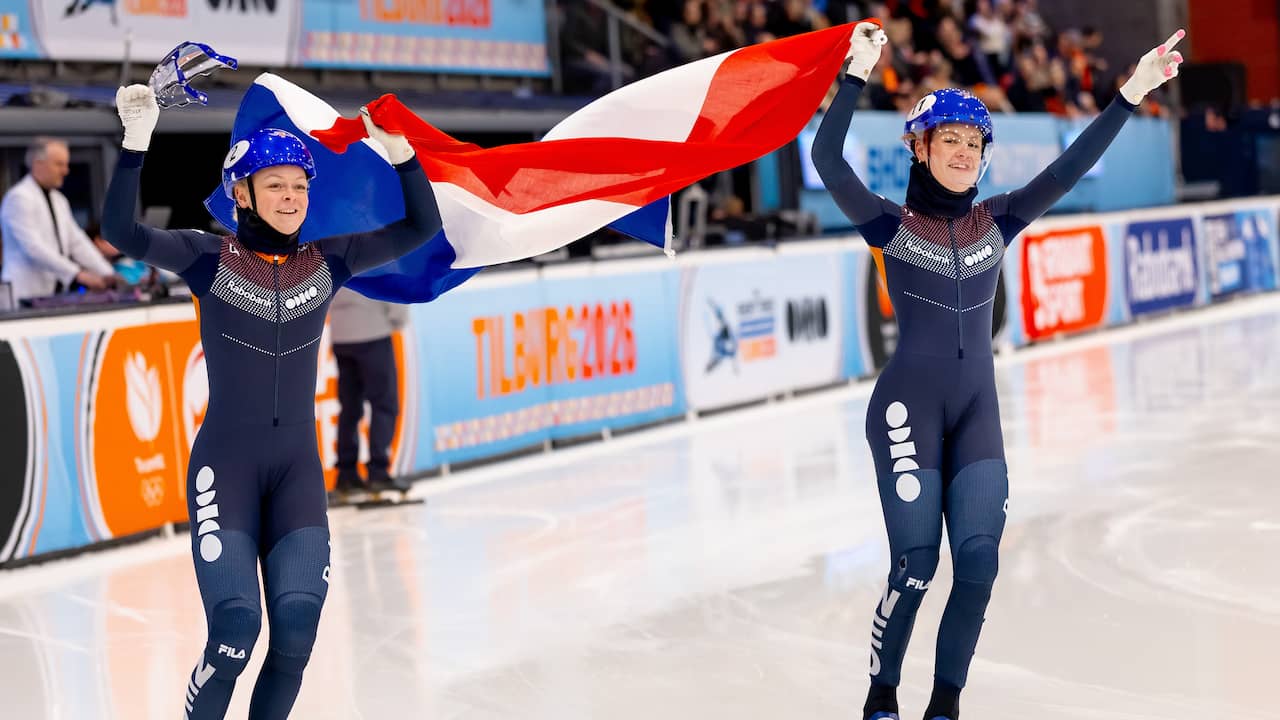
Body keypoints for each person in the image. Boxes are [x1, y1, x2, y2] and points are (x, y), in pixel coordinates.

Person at [812, 21, 1184, 720]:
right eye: (948, 139)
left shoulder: (999, 221)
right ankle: (881, 693)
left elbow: (1069, 169)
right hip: (906, 413)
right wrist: (856, 75)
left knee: (978, 566)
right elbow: (828, 161)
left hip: (977, 411)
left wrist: (1130, 93)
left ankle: (945, 705)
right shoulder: (890, 225)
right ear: (920, 150)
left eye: (974, 142)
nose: (963, 152)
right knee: (916, 567)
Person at [102, 84, 441, 719]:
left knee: (295, 630)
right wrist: (134, 143)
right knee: (234, 633)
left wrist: (404, 157)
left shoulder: (331, 259)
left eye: (300, 186)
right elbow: (120, 230)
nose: (291, 198)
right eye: (276, 185)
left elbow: (424, 226)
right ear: (243, 192)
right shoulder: (210, 258)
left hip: (296, 472)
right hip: (225, 468)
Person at [0, 136, 117, 301]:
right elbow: (34, 249)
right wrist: (78, 274)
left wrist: (107, 273)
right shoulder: (18, 198)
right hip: (24, 294)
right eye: (59, 164)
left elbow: (77, 242)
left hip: (54, 292)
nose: (65, 170)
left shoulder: (59, 200)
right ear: (38, 164)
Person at [328, 286, 410, 493]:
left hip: (341, 334)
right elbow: (390, 283)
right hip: (373, 330)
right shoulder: (371, 252)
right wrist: (398, 318)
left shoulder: (330, 251)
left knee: (350, 407)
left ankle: (346, 474)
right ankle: (378, 471)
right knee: (384, 403)